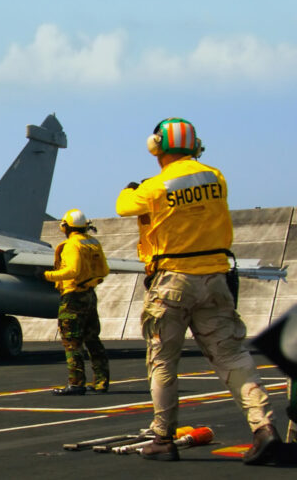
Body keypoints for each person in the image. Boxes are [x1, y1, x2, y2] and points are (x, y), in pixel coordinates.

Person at [116, 117, 280, 464]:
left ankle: (163, 438)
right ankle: (264, 428)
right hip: (215, 279)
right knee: (233, 357)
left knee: (162, 361)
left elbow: (123, 206)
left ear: (156, 147)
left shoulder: (154, 187)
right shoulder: (215, 177)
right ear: (194, 146)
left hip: (172, 280)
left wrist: (133, 187)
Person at [42, 209, 110, 396]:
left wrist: (47, 275)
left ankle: (76, 383)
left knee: (72, 342)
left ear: (65, 226)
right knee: (92, 339)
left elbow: (71, 270)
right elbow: (104, 270)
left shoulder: (72, 245)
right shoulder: (93, 243)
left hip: (73, 297)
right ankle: (101, 382)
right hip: (89, 295)